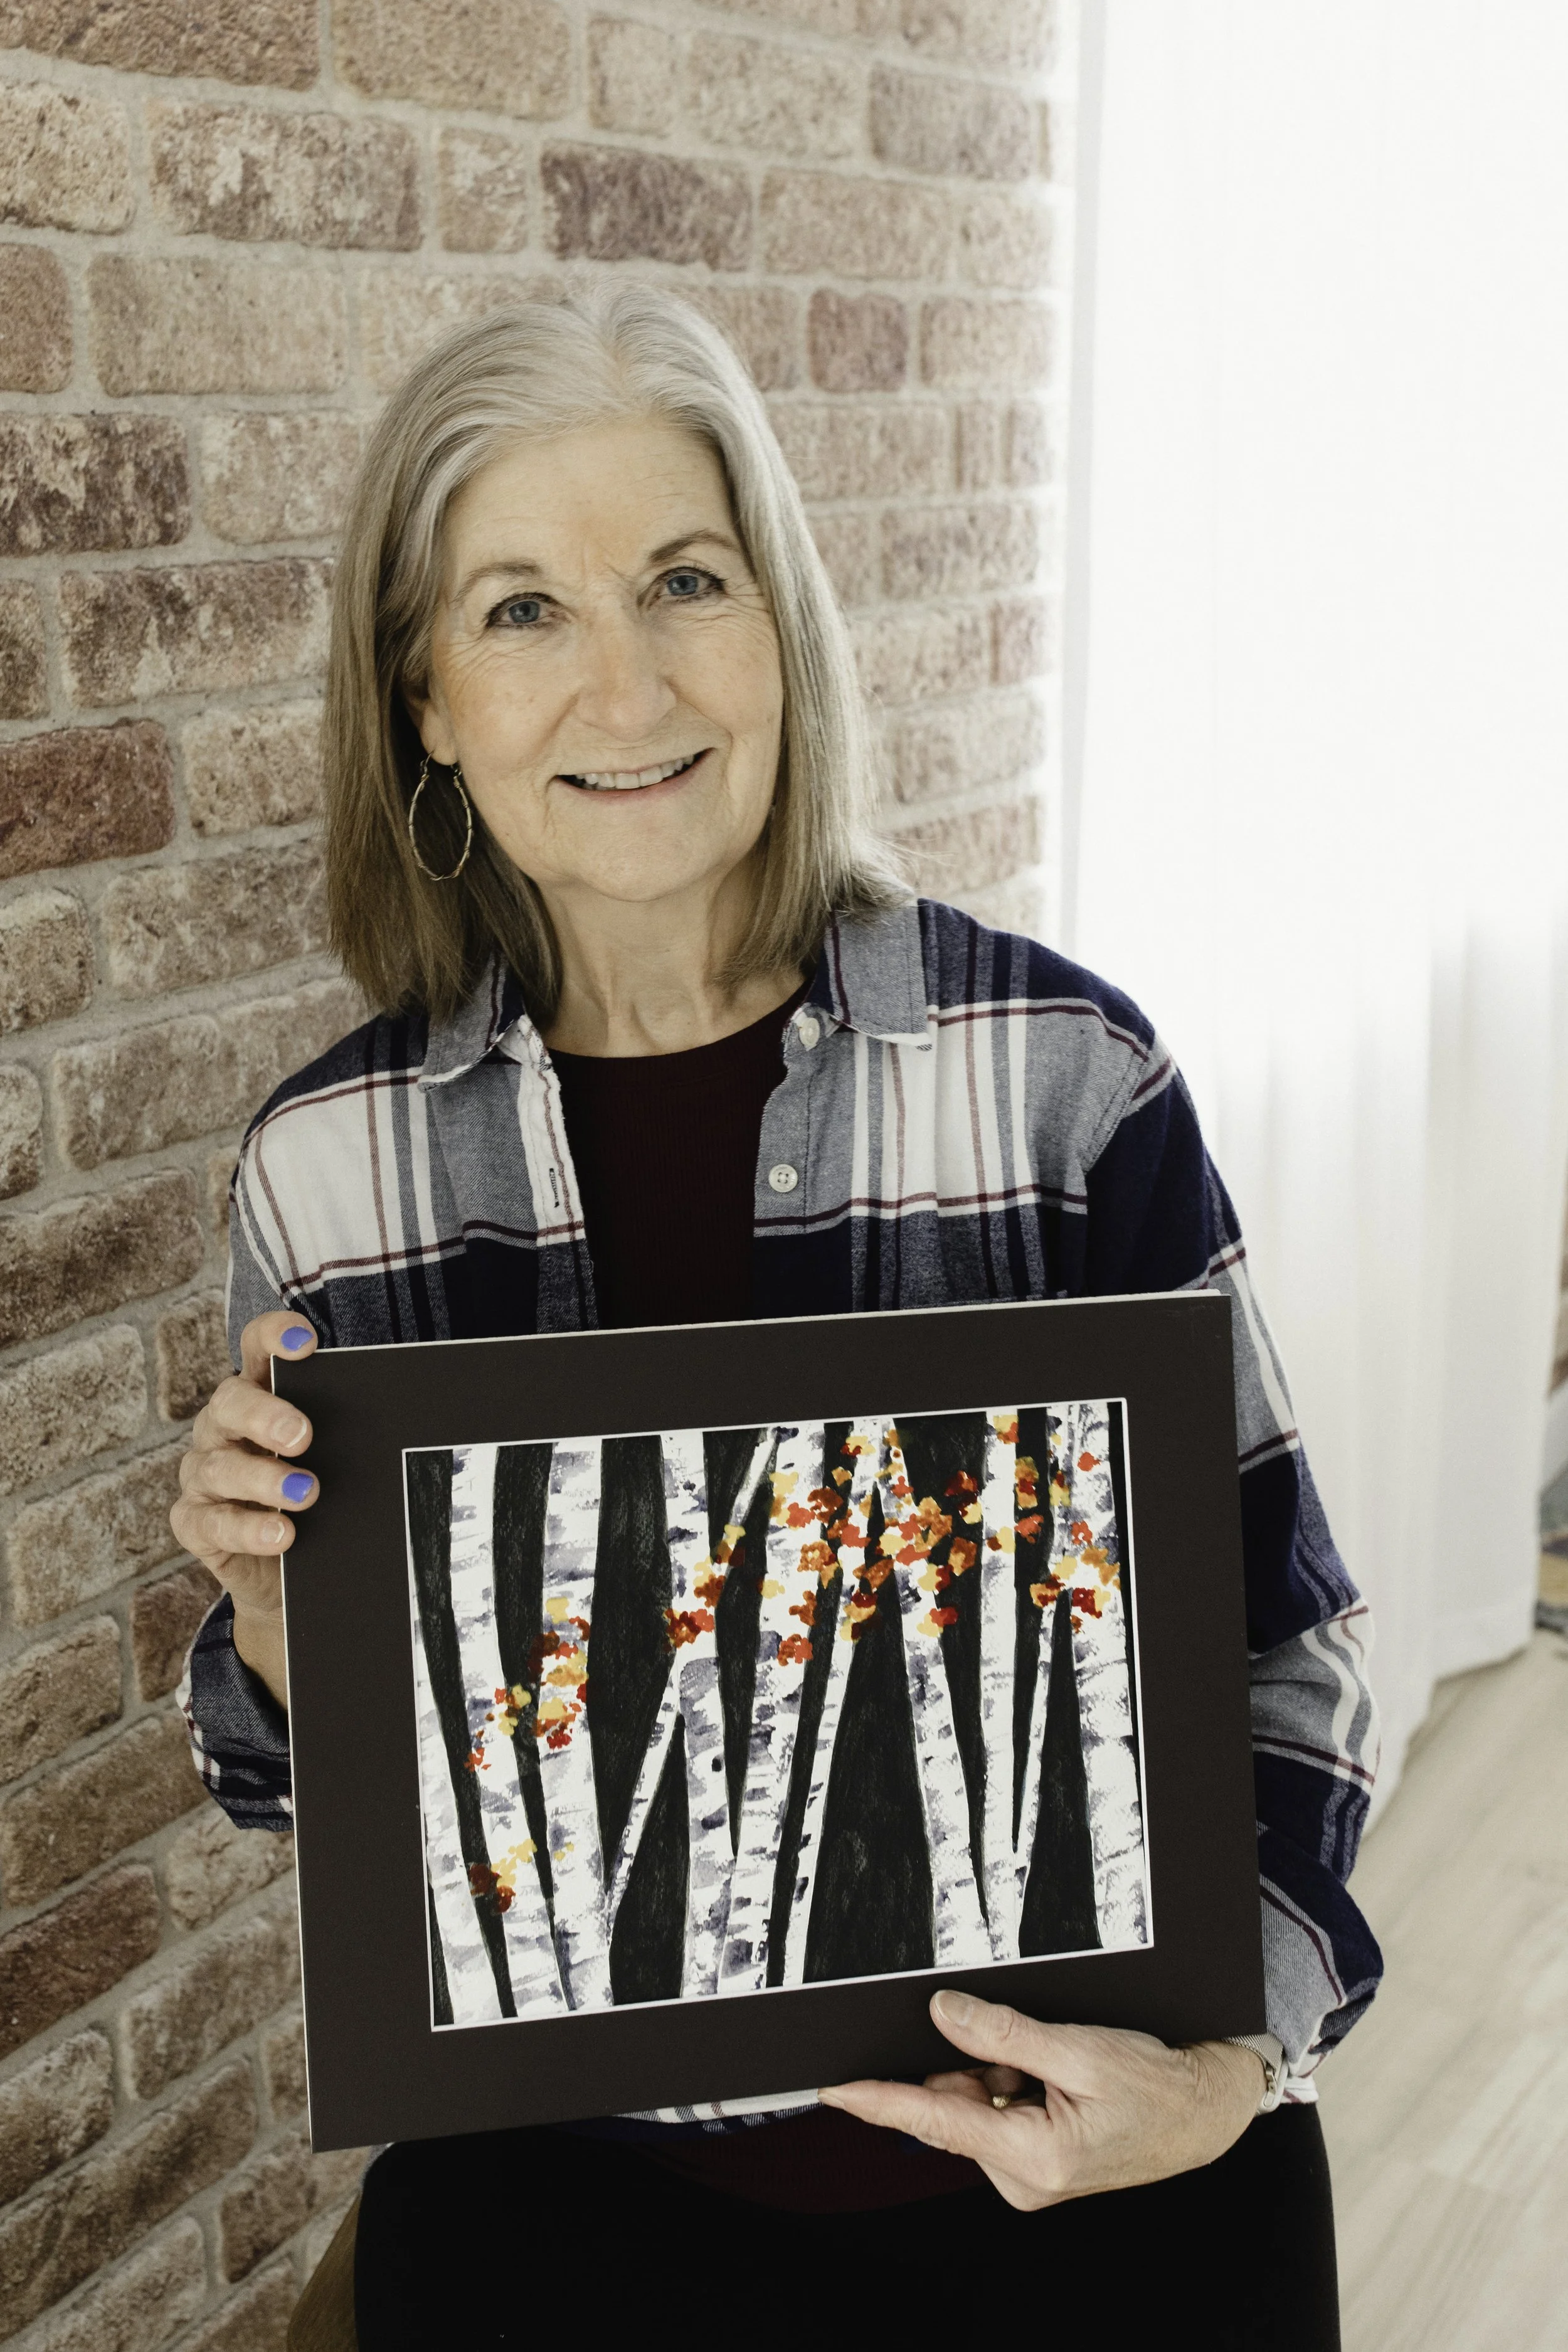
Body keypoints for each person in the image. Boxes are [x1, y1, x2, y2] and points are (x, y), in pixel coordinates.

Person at [172, 285, 1378, 2350]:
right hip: (578, 2183)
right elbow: (332, 1815)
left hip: (1080, 2159)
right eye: (522, 609)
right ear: (426, 700)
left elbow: (1283, 1642)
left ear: (783, 624)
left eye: (685, 578)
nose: (624, 680)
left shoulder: (1063, 1076)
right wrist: (289, 1643)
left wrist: (1226, 2065)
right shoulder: (326, 1171)